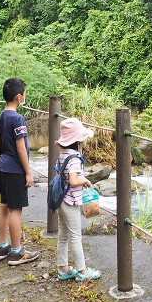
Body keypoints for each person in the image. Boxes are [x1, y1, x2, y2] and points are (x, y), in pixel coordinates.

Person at [0, 78, 39, 266]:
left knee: (4, 205)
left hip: (3, 166)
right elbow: (21, 148)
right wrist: (28, 171)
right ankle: (17, 251)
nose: (25, 97)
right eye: (24, 94)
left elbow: (1, 142)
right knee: (15, 209)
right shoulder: (18, 118)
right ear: (19, 97)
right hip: (15, 169)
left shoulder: (2, 116)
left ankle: (2, 246)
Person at [55, 117, 101, 281]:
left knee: (63, 235)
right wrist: (86, 180)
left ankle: (63, 268)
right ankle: (82, 271)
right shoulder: (74, 158)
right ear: (78, 141)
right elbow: (74, 181)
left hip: (60, 200)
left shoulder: (63, 155)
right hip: (70, 201)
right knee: (75, 236)